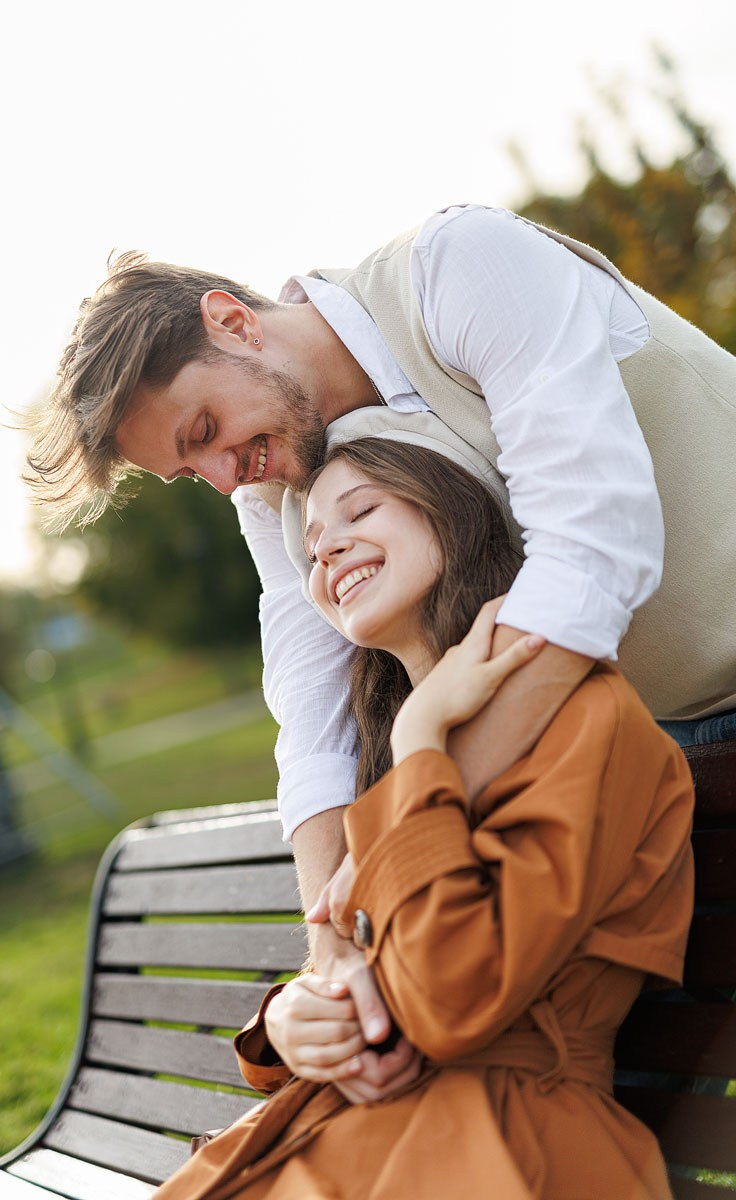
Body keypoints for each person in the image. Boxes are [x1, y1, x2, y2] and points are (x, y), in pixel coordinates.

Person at [27, 202, 735, 1070]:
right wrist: (331, 947)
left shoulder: (459, 271)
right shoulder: (272, 478)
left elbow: (594, 554)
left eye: (204, 432)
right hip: (669, 738)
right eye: (189, 470)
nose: (221, 478)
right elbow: (310, 712)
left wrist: (413, 799)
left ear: (232, 320)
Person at [151, 437, 694, 1200]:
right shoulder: (399, 756)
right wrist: (294, 1018)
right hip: (368, 1139)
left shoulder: (585, 720)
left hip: (497, 1152)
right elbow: (378, 971)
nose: (327, 546)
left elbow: (451, 997)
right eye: (309, 548)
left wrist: (421, 739)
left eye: (361, 509)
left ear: (456, 511)